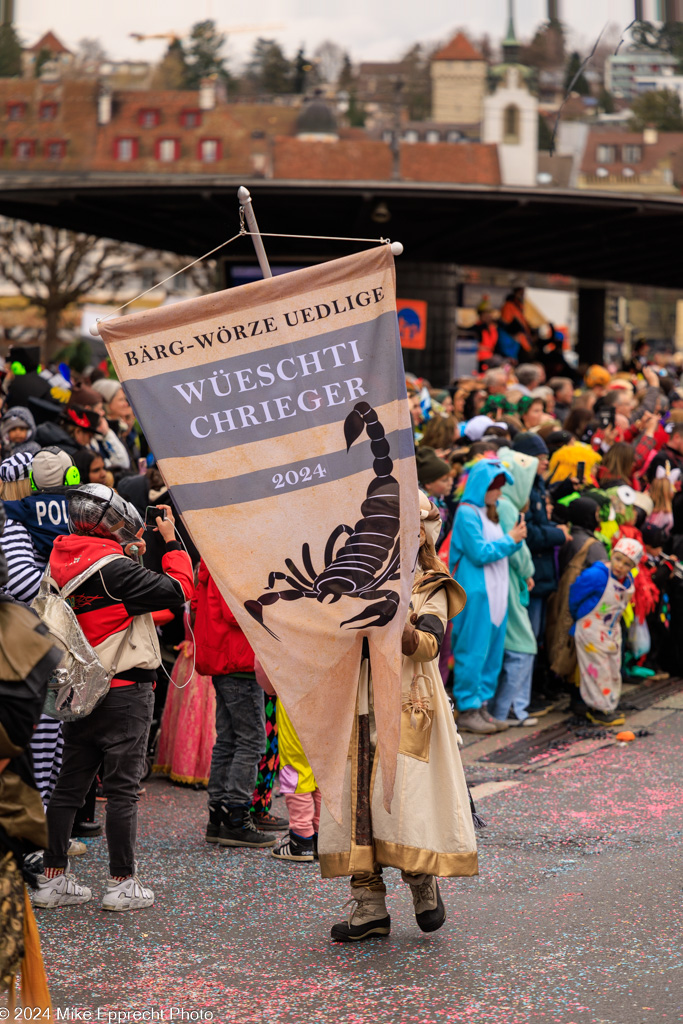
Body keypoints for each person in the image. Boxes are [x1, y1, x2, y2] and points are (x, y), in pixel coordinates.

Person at [320, 495, 477, 941]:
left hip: (410, 704)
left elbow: (427, 645)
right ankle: (369, 906)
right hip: (355, 702)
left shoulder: (432, 583)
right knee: (356, 805)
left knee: (404, 803)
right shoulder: (353, 573)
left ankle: (422, 883)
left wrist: (389, 617)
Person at [33, 485, 194, 911]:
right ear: (113, 520)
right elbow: (178, 590)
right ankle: (122, 883)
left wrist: (131, 551)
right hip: (125, 690)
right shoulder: (115, 569)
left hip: (82, 691)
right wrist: (173, 542)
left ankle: (53, 879)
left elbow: (113, 601)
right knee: (123, 791)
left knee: (69, 787)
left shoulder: (59, 560)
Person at [192, 559, 281, 850]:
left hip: (224, 660)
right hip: (239, 661)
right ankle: (236, 818)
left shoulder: (209, 565)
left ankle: (218, 817)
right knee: (252, 741)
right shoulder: (229, 565)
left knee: (229, 740)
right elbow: (237, 613)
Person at [449, 458, 527, 733]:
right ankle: (468, 708)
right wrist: (511, 539)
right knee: (472, 651)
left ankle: (481, 705)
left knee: (491, 652)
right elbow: (480, 553)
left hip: (496, 593)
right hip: (477, 593)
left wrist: (514, 540)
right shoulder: (467, 513)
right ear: (484, 486)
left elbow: (497, 550)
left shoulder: (487, 512)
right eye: (496, 486)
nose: (499, 493)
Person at [488, 448, 539, 727]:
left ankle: (504, 709)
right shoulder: (507, 506)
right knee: (522, 646)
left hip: (500, 578)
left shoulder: (499, 503)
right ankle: (508, 710)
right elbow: (516, 547)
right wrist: (528, 571)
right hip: (506, 580)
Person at [569, 537, 643, 726]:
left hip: (610, 630)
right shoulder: (597, 575)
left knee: (611, 668)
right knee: (597, 669)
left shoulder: (627, 581)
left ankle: (607, 703)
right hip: (591, 628)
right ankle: (598, 708)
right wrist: (580, 616)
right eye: (618, 559)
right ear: (612, 554)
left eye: (627, 564)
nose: (620, 566)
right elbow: (575, 596)